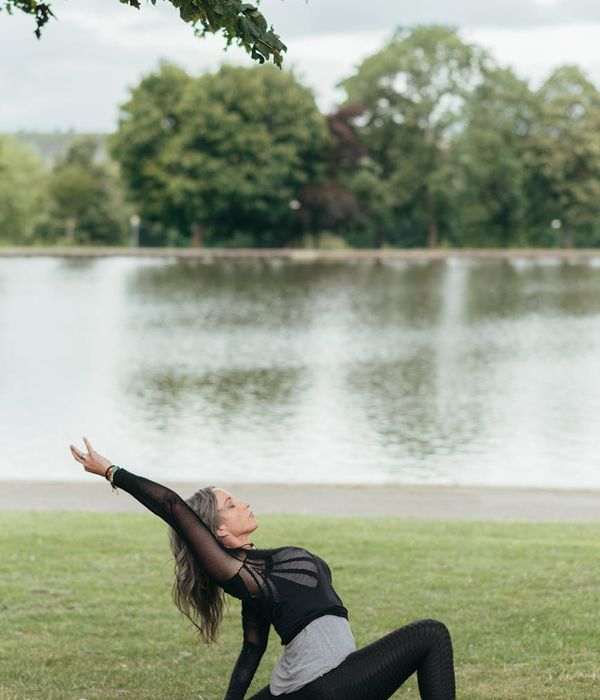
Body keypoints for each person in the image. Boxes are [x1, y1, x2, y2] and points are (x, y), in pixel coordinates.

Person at [70, 437, 456, 700]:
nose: (245, 503)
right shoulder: (237, 572)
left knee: (430, 635)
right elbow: (171, 505)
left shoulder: (257, 577)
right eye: (232, 504)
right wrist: (110, 470)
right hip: (327, 685)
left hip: (318, 685)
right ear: (217, 530)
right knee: (432, 634)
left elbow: (252, 649)